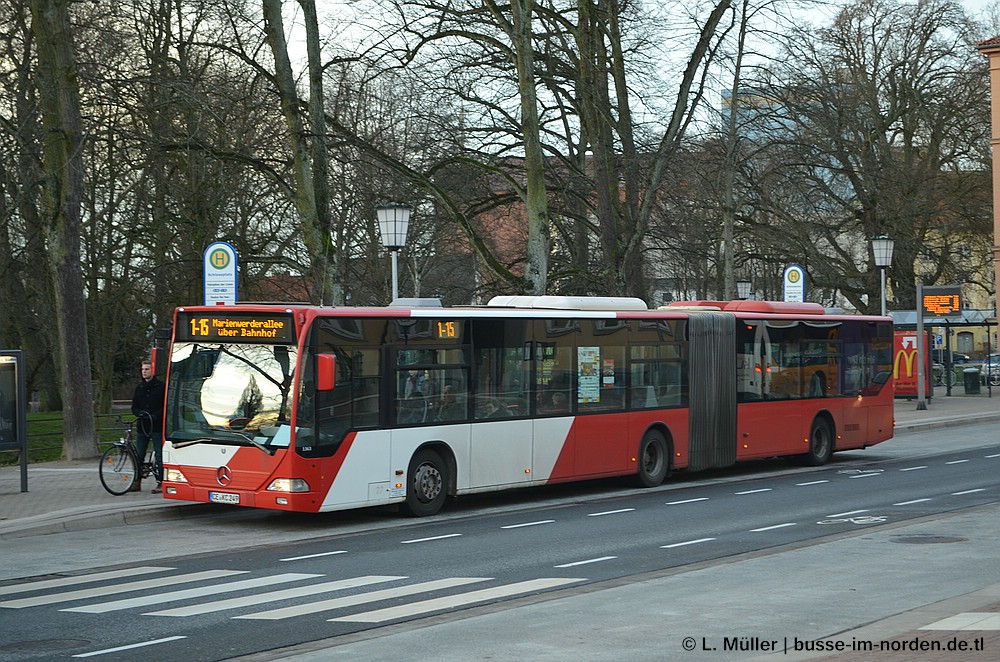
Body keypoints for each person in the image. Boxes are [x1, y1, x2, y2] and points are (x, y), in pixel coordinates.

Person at [131, 360, 165, 493]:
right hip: (143, 426)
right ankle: (137, 481)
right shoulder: (139, 388)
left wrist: (155, 416)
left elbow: (165, 405)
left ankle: (161, 481)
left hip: (156, 426)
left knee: (159, 455)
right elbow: (134, 407)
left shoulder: (161, 387)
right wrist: (139, 413)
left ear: (152, 371)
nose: (144, 372)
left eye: (146, 369)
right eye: (143, 369)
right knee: (139, 455)